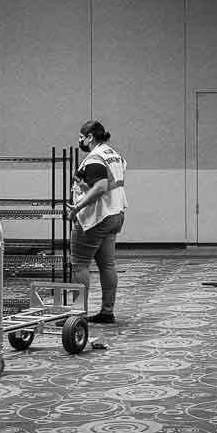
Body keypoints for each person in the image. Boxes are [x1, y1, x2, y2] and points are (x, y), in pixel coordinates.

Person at [67, 119, 127, 324]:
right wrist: (85, 187)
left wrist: (77, 207)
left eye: (81, 137)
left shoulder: (95, 157)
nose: (80, 141)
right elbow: (107, 184)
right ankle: (107, 311)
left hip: (95, 218)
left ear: (90, 137)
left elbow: (101, 187)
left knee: (80, 265)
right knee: (107, 265)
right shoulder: (114, 155)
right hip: (115, 214)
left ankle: (77, 317)